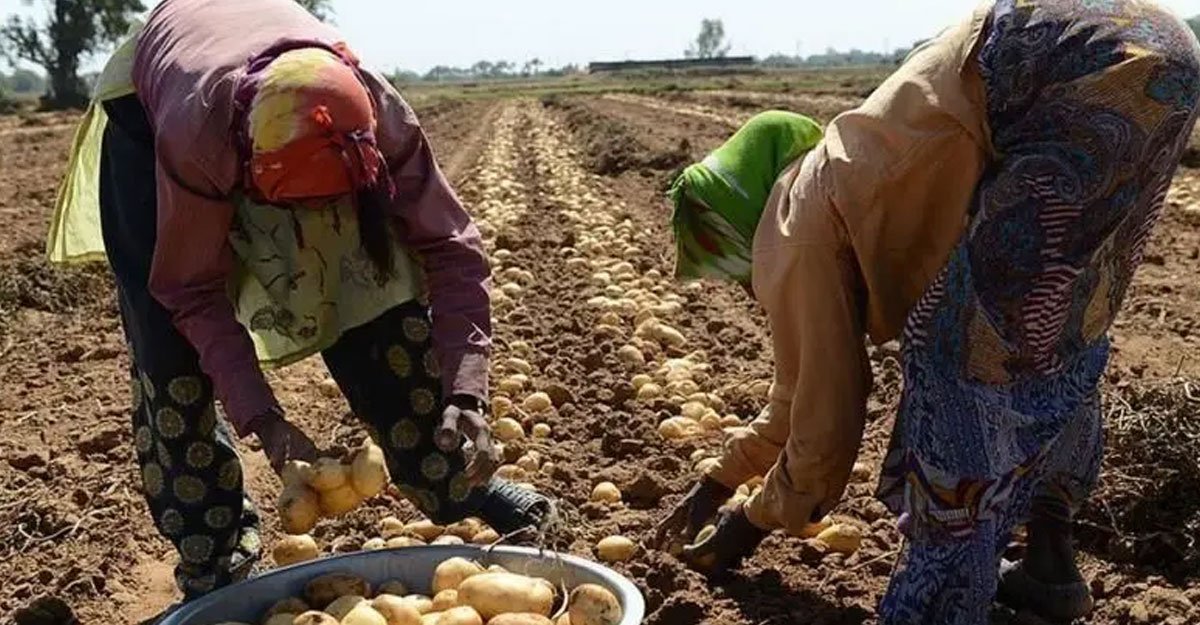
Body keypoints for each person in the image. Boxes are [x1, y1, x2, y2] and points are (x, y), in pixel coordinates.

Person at [653, 1, 1200, 623]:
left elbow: (826, 412)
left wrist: (750, 523)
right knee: (1057, 332)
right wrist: (720, 479)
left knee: (952, 355)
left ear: (738, 223)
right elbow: (796, 392)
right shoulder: (843, 169)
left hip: (1063, 70)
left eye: (727, 261)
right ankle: (1048, 562)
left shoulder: (790, 227)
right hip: (1156, 51)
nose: (743, 283)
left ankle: (937, 605)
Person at [48, 0, 551, 601]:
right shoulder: (196, 140)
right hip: (159, 117)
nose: (303, 233)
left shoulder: (381, 120)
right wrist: (264, 419)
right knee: (168, 345)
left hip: (275, 114)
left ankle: (459, 481)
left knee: (374, 282)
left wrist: (467, 390)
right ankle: (214, 552)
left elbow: (452, 249)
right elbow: (192, 289)